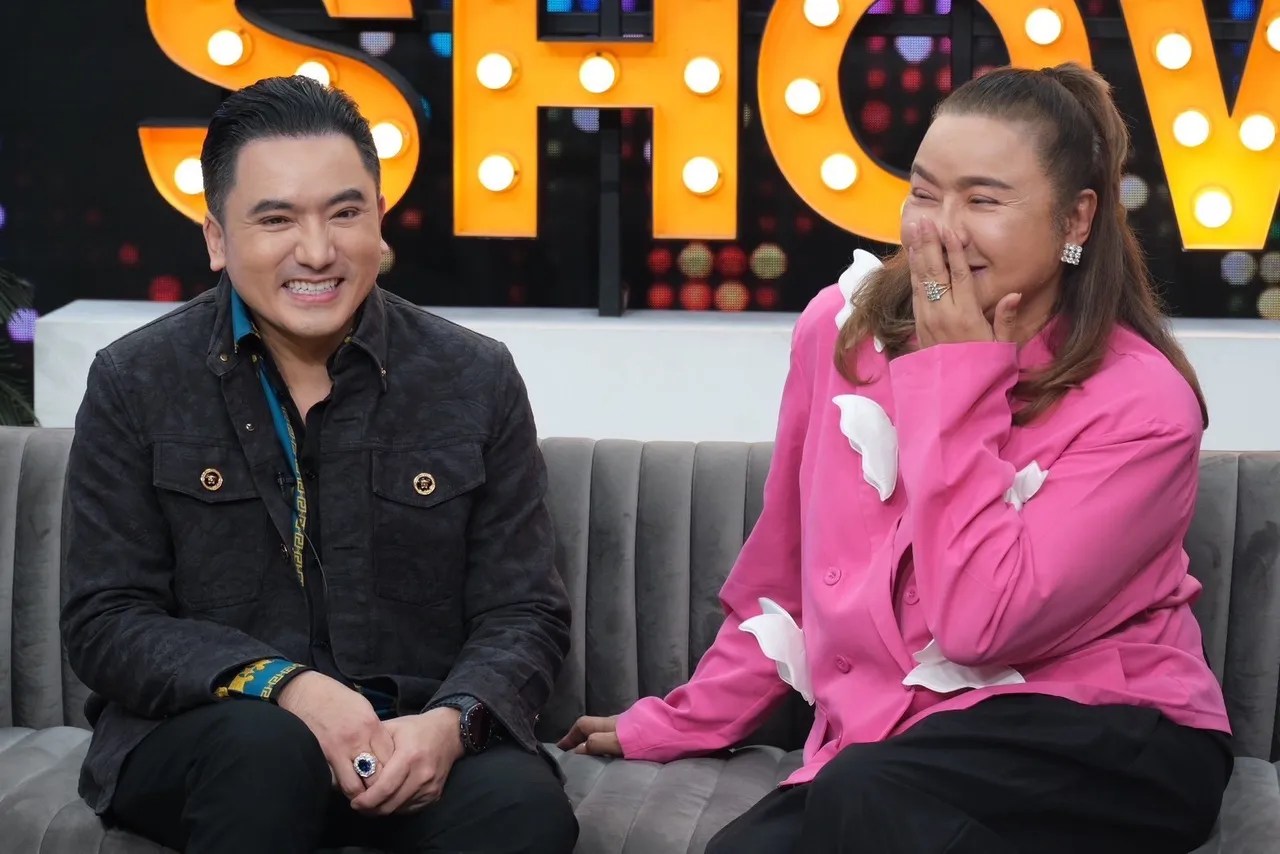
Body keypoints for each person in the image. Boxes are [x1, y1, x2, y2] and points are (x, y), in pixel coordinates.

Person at [560, 63, 1232, 853]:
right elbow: (789, 574)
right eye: (923, 194)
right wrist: (681, 719)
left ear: (1076, 219)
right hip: (896, 755)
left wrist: (956, 378)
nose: (941, 230)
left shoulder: (1143, 403)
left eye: (983, 201)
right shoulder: (840, 333)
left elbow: (983, 625)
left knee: (869, 795)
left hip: (1108, 735)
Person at [60, 75, 577, 854]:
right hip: (217, 734)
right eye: (276, 219)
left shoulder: (474, 377)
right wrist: (290, 689)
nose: (317, 251)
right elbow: (106, 619)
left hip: (412, 732)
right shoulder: (136, 381)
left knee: (524, 811)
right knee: (266, 755)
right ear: (216, 239)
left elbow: (524, 611)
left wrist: (451, 724)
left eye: (345, 213)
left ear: (380, 220)